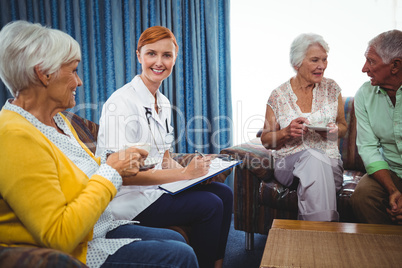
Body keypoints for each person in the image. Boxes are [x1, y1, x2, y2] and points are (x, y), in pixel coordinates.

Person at [0, 20, 199, 268]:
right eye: (73, 70)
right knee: (181, 255)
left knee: (176, 239)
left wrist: (122, 163)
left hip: (98, 227)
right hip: (76, 250)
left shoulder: (58, 122)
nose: (79, 81)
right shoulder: (15, 135)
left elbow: (87, 170)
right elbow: (59, 236)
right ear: (44, 73)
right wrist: (112, 170)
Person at [96, 26, 233, 268]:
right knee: (210, 206)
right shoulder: (121, 103)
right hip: (127, 201)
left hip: (156, 191)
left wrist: (197, 174)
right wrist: (183, 174)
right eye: (152, 54)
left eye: (167, 55)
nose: (159, 62)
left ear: (174, 59)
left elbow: (165, 157)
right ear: (139, 55)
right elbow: (123, 176)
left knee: (224, 193)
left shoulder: (163, 102)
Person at [260, 33, 347, 221]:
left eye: (324, 60)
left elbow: (343, 126)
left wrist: (334, 131)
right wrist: (285, 132)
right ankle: (324, 232)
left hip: (331, 164)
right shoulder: (279, 95)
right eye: (315, 60)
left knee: (319, 160)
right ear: (297, 64)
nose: (322, 66)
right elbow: (266, 140)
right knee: (314, 158)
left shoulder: (332, 89)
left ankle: (310, 233)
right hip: (289, 165)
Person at [350, 30, 402, 225]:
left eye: (371, 61)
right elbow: (368, 148)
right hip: (392, 171)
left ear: (395, 65)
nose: (364, 68)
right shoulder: (364, 94)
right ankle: (384, 251)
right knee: (362, 197)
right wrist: (393, 190)